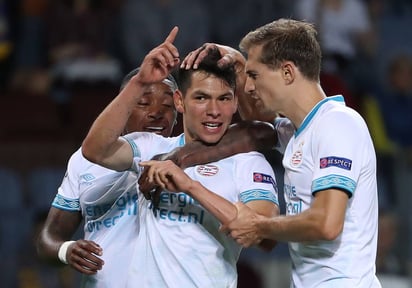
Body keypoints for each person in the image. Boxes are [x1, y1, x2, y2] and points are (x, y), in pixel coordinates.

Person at [181, 18, 381, 287]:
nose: (249, 87)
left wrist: (258, 225)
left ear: (287, 73)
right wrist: (240, 66)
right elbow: (255, 124)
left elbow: (326, 223)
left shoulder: (338, 124)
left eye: (254, 76)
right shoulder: (299, 132)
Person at [81, 26, 279, 287]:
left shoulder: (249, 162)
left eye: (224, 99)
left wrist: (189, 186)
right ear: (179, 102)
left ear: (234, 104)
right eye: (201, 98)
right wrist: (140, 81)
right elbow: (95, 149)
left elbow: (265, 236)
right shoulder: (152, 148)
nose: (214, 110)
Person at [36, 67, 178, 287]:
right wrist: (66, 250)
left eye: (167, 106)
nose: (156, 112)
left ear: (178, 113)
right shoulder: (83, 161)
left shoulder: (191, 156)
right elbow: (48, 239)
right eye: (143, 103)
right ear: (122, 109)